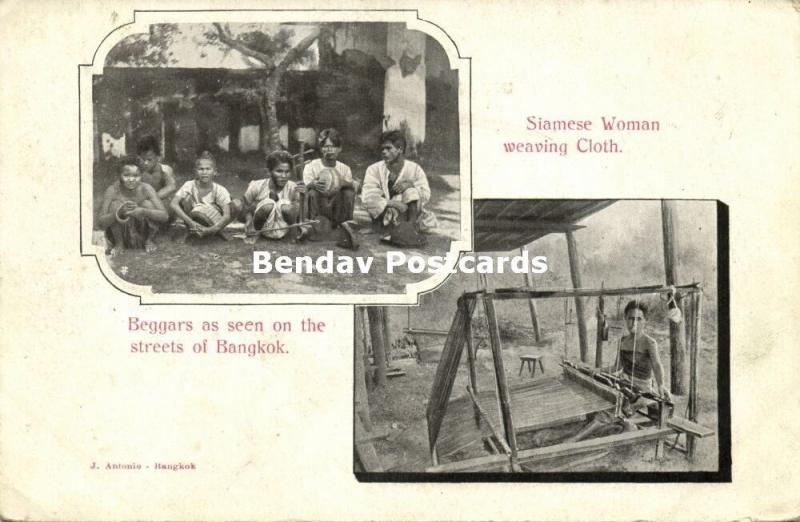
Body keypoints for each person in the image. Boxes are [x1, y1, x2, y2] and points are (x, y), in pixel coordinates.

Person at [564, 300, 672, 443]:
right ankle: (623, 424)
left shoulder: (649, 343)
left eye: (639, 319)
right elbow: (616, 368)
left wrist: (661, 385)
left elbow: (657, 365)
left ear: (645, 321)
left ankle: (575, 439)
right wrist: (595, 371)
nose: (634, 322)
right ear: (625, 319)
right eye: (631, 318)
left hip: (641, 390)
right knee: (602, 396)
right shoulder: (623, 341)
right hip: (623, 383)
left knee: (609, 411)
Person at [361, 130, 436, 233]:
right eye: (382, 148)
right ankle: (380, 226)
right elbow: (367, 196)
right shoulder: (373, 169)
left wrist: (410, 185)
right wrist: (395, 204)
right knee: (371, 198)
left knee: (411, 191)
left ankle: (410, 227)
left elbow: (426, 194)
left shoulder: (414, 169)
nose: (384, 152)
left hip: (408, 213)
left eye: (388, 148)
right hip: (384, 212)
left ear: (399, 149)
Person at [98, 156, 169, 255]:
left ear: (141, 175)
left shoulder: (146, 188)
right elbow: (101, 221)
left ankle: (148, 240)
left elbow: (165, 216)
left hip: (141, 231)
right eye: (126, 175)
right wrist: (117, 213)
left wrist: (143, 211)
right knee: (115, 204)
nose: (131, 179)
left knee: (147, 204)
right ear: (119, 175)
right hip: (121, 232)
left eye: (136, 176)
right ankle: (119, 244)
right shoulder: (112, 190)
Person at [231, 150, 307, 243]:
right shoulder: (257, 186)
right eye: (279, 171)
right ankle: (255, 234)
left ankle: (292, 236)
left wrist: (303, 198)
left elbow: (299, 214)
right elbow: (243, 208)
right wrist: (249, 220)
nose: (283, 176)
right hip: (262, 227)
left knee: (284, 206)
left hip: (283, 228)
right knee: (268, 205)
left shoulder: (293, 187)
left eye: (287, 172)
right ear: (269, 171)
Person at [169, 151, 233, 240]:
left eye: (208, 169)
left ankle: (217, 231)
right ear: (196, 171)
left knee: (234, 205)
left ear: (215, 172)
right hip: (193, 220)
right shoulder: (189, 185)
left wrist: (211, 229)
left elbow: (227, 215)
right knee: (183, 200)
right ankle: (190, 230)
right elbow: (173, 203)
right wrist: (190, 222)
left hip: (212, 221)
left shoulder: (220, 190)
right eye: (201, 169)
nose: (204, 172)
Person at [302, 128, 357, 228]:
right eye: (326, 146)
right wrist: (313, 184)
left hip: (336, 203)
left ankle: (345, 226)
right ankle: (315, 225)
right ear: (321, 148)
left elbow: (351, 185)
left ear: (339, 148)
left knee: (348, 193)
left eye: (333, 146)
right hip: (320, 203)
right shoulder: (311, 166)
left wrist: (342, 182)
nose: (329, 150)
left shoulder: (345, 168)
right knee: (312, 193)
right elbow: (305, 187)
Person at [136, 135, 176, 206]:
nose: (146, 163)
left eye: (149, 159)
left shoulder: (164, 169)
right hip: (144, 202)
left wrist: (153, 198)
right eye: (143, 159)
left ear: (158, 158)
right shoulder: (139, 171)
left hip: (162, 201)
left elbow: (171, 187)